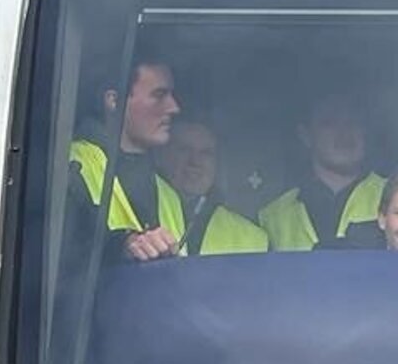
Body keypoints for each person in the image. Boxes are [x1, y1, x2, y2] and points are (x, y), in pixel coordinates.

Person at [69, 61, 185, 262]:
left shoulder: (169, 194)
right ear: (114, 101)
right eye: (159, 95)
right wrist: (121, 246)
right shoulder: (71, 165)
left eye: (172, 96)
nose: (174, 107)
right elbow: (61, 255)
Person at [258, 92, 386, 250]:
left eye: (353, 123)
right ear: (306, 135)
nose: (344, 133)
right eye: (330, 123)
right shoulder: (273, 216)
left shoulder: (394, 196)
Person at [156, 120, 268, 255]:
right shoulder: (142, 212)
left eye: (206, 153)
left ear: (217, 163)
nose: (195, 162)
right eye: (184, 150)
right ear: (162, 155)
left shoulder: (253, 238)